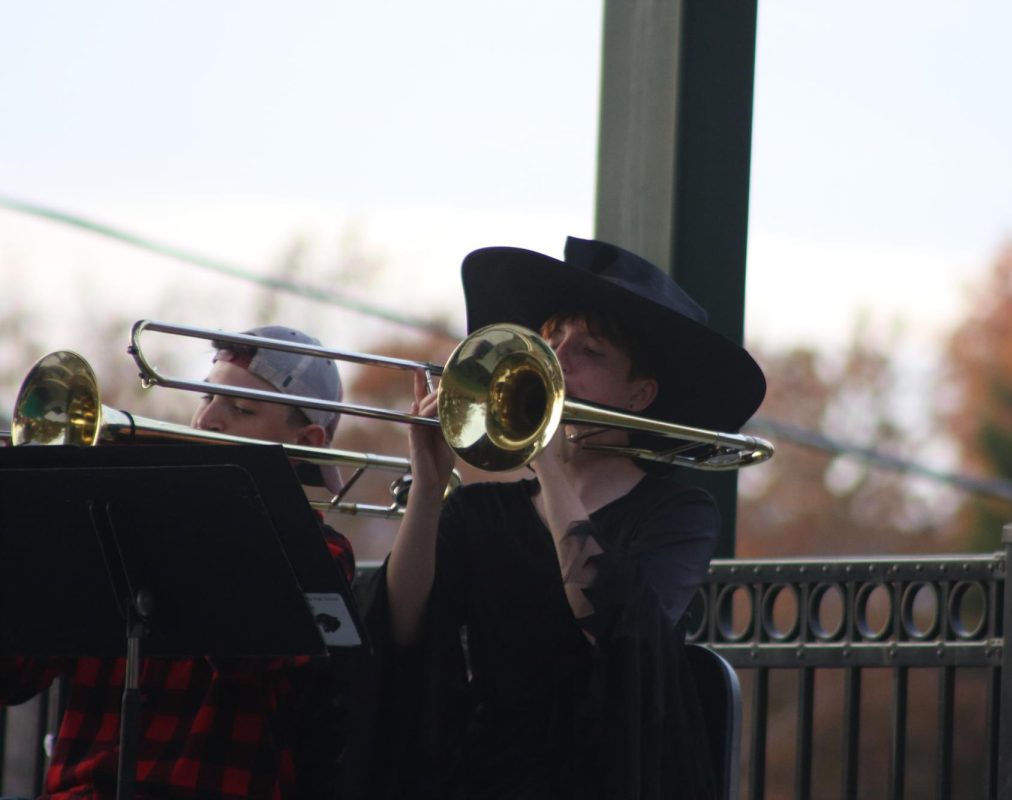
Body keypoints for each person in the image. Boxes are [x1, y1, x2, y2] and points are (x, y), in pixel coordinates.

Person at [353, 237, 766, 799]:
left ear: (639, 394)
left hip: (607, 776)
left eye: (589, 351)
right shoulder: (480, 511)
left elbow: (612, 632)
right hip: (485, 773)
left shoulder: (678, 515)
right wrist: (428, 488)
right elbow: (402, 627)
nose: (556, 361)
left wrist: (546, 458)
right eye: (550, 341)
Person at [0, 325, 355, 799]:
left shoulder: (322, 550)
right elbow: (16, 674)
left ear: (305, 442)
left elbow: (242, 648)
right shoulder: (113, 521)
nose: (207, 421)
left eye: (242, 409)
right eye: (205, 400)